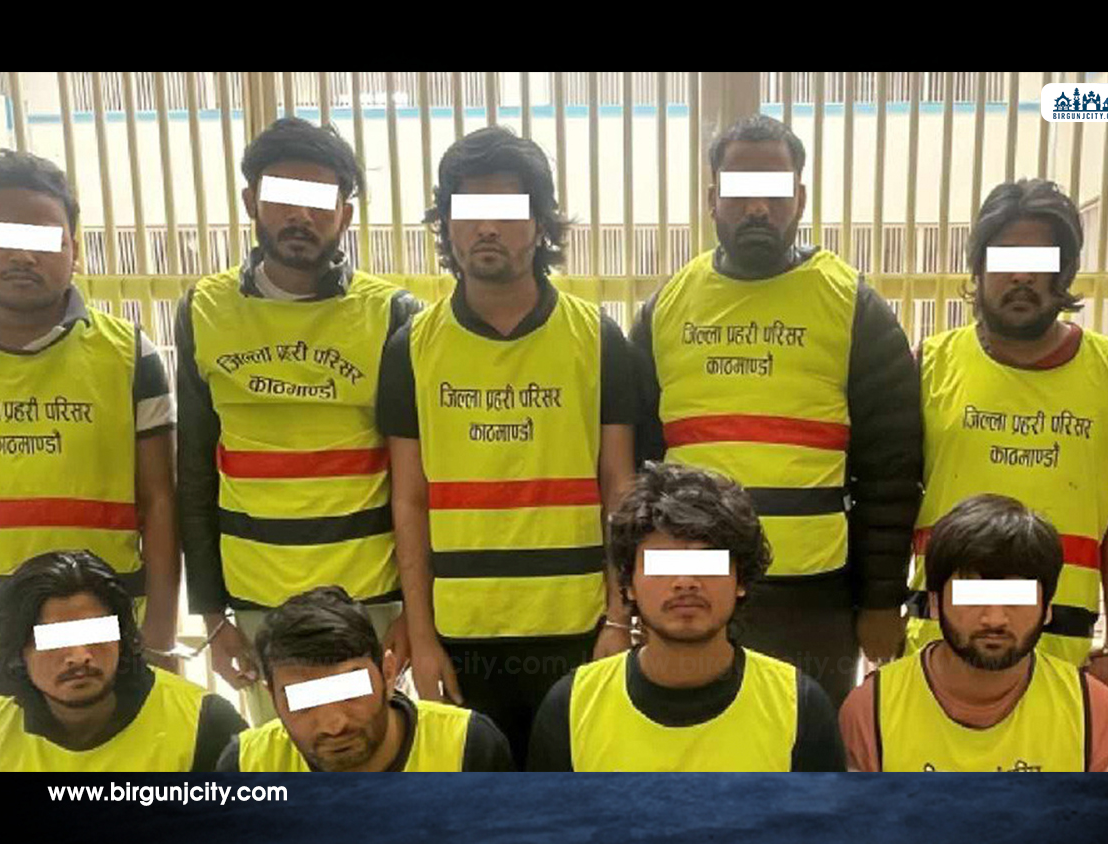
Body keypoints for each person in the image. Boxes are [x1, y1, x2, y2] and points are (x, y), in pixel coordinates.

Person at [631, 115, 921, 706]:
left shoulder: (853, 306)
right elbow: (637, 468)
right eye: (739, 192)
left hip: (813, 600)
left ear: (801, 199)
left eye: (775, 191)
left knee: (806, 746)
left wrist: (880, 601)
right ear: (712, 199)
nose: (758, 208)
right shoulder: (667, 308)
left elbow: (891, 472)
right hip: (690, 590)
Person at [379, 126, 638, 768]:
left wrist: (618, 618)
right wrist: (423, 638)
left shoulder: (598, 339)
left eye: (507, 209)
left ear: (541, 222)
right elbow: (409, 501)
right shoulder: (410, 349)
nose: (487, 228)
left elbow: (620, 487)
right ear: (445, 224)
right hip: (464, 636)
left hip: (578, 630)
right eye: (468, 210)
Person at [175, 118, 418, 723]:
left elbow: (420, 479)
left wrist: (417, 611)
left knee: (371, 741)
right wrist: (212, 617)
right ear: (251, 201)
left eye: (319, 200)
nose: (301, 216)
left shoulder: (391, 314)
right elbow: (194, 474)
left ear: (345, 214)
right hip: (258, 602)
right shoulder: (204, 309)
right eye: (283, 195)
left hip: (371, 599)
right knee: (285, 747)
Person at [906, 178, 1108, 704]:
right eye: (1004, 258)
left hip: (1063, 645)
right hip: (940, 639)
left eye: (1040, 260)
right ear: (978, 268)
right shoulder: (929, 364)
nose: (1021, 275)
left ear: (1064, 271)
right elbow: (890, 498)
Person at [0, 150, 180, 714]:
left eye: (41, 237)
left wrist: (159, 638)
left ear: (75, 249)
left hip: (98, 641)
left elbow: (160, 502)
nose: (21, 255)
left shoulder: (129, 356)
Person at [527, 462, 844, 771]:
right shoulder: (571, 707)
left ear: (741, 580)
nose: (685, 581)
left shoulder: (800, 708)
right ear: (628, 583)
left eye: (707, 563)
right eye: (663, 564)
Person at [842, 494, 1108, 771]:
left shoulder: (1098, 716)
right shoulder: (869, 711)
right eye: (973, 595)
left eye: (1016, 596)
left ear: (1047, 606)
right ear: (934, 602)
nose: (995, 619)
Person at [0, 551, 244, 771]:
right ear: (17, 650)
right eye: (55, 639)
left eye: (96, 633)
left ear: (122, 637)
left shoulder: (205, 724)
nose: (79, 656)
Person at [217, 586, 511, 772]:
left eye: (349, 690)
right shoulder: (245, 767)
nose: (334, 724)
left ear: (388, 674)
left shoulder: (469, 746)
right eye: (304, 700)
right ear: (272, 698)